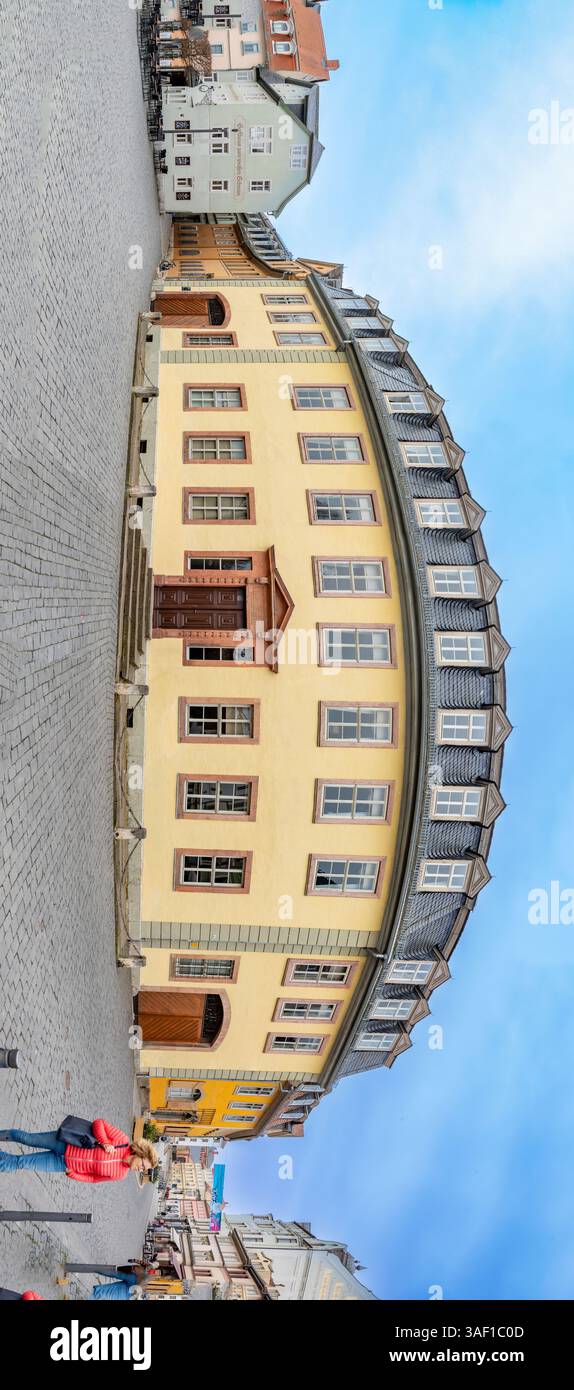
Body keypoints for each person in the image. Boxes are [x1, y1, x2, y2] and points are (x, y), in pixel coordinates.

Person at [0, 1119, 157, 1183]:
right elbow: (98, 1123)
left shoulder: (120, 1175)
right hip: (65, 1143)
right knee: (27, 1139)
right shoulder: (122, 1141)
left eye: (143, 1170)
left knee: (22, 1163)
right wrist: (105, 1142)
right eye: (143, 1165)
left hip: (62, 1164)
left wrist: (73, 1174)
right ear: (140, 1153)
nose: (140, 1169)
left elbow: (94, 1179)